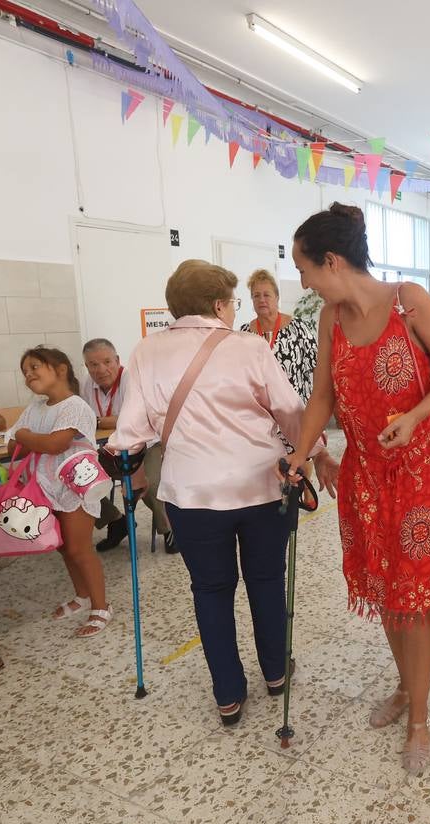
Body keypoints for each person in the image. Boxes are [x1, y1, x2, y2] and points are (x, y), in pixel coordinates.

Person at [284, 202, 430, 775]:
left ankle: (420, 719)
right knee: (388, 594)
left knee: (416, 599)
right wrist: (300, 453)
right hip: (364, 477)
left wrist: (415, 415)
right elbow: (323, 396)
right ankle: (406, 687)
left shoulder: (409, 302)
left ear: (332, 261)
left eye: (304, 270)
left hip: (420, 475)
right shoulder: (329, 318)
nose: (304, 283)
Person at [107, 260, 334, 726]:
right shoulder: (249, 347)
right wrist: (318, 453)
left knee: (210, 590)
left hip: (190, 495)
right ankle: (276, 672)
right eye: (232, 302)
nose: (235, 310)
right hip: (260, 488)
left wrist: (128, 466)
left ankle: (228, 694)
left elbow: (129, 435)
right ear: (217, 304)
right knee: (266, 580)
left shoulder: (146, 351)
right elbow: (291, 412)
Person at [8, 347, 112, 637]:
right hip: (46, 487)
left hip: (74, 487)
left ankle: (101, 606)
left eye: (34, 367)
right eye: (25, 371)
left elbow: (55, 444)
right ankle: (82, 596)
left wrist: (26, 436)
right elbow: (12, 445)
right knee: (63, 545)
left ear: (61, 369)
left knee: (80, 548)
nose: (28, 375)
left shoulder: (75, 406)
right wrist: (29, 438)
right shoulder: (35, 407)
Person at [79, 338, 161, 553]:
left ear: (117, 360)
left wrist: (98, 421)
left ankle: (170, 529)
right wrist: (106, 421)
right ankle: (115, 520)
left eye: (107, 362)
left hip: (145, 444)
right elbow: (82, 418)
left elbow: (132, 420)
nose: (101, 369)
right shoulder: (85, 384)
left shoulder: (132, 379)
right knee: (80, 479)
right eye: (93, 364)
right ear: (86, 366)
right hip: (109, 448)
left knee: (150, 483)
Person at [239, 269, 319, 403]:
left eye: (266, 295)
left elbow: (317, 367)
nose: (261, 300)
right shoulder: (245, 333)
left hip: (295, 407)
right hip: (260, 409)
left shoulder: (297, 328)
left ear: (277, 298)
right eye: (256, 296)